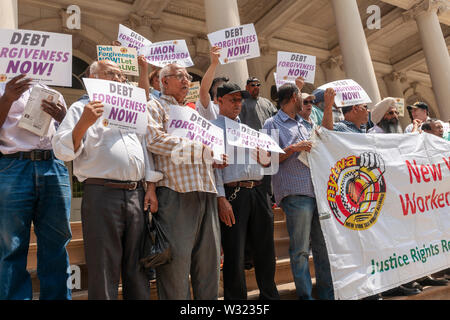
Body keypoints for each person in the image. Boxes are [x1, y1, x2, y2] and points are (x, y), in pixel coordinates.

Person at [52, 59, 162, 300]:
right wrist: (83, 124)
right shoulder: (81, 108)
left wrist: (150, 186)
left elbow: (145, 149)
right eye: (112, 74)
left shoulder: (133, 112)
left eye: (121, 75)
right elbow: (62, 151)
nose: (119, 79)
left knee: (138, 267)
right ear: (93, 78)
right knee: (103, 267)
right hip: (102, 195)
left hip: (137, 195)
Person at [146, 63, 226, 300]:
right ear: (164, 82)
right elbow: (154, 140)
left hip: (206, 192)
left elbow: (206, 149)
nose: (186, 80)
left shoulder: (192, 113)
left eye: (188, 76)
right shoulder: (154, 106)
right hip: (175, 193)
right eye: (179, 76)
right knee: (176, 268)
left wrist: (215, 156)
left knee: (209, 266)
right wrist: (201, 149)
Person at [0, 74, 72, 300]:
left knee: (57, 243)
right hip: (13, 166)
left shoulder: (55, 93)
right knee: (11, 245)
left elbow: (68, 137)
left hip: (53, 166)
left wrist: (63, 117)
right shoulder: (3, 89)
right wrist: (7, 99)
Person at [263, 78, 335, 300]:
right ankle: (306, 296)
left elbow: (328, 135)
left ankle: (327, 295)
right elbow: (268, 160)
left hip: (316, 192)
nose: (306, 103)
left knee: (322, 249)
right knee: (301, 250)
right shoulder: (271, 124)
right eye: (302, 98)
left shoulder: (305, 124)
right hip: (295, 193)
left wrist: (329, 106)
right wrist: (293, 148)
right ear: (294, 98)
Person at [212, 83, 279, 300]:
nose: (238, 104)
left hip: (258, 192)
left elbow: (268, 163)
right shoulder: (212, 128)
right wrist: (221, 198)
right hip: (234, 194)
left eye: (240, 100)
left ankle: (269, 296)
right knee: (234, 252)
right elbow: (213, 168)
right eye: (232, 99)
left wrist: (265, 159)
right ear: (219, 101)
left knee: (266, 251)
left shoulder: (250, 130)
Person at [196, 46, 228, 120]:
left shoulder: (235, 114)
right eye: (222, 88)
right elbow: (203, 91)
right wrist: (214, 63)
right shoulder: (209, 107)